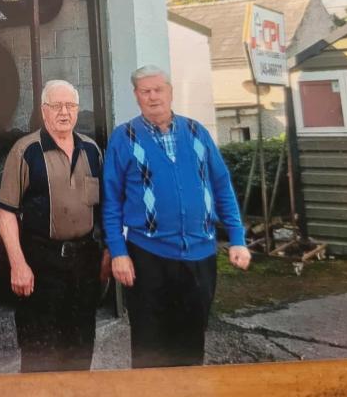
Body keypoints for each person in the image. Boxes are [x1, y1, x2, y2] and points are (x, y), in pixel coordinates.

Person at [102, 65, 251, 368]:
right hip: (148, 256)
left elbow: (222, 186)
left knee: (191, 345)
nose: (153, 97)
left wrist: (237, 238)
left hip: (200, 256)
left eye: (159, 89)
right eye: (146, 91)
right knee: (149, 346)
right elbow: (111, 201)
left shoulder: (197, 132)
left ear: (170, 92)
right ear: (136, 96)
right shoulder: (124, 137)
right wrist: (118, 252)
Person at [0, 79, 111, 372]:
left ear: (77, 110)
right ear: (44, 111)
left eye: (70, 105)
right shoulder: (25, 151)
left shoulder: (92, 151)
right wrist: (18, 265)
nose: (64, 112)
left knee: (80, 349)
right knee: (39, 355)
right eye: (56, 106)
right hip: (41, 263)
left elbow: (106, 208)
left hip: (84, 264)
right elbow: (5, 211)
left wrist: (109, 253)